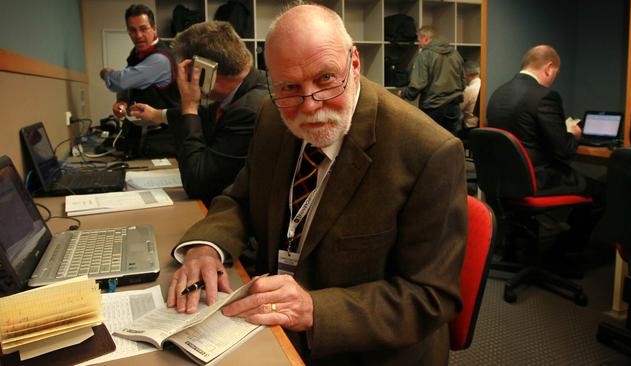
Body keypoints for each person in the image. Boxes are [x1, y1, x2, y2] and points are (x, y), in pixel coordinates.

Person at [166, 4, 467, 365]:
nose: (310, 106)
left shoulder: (428, 152)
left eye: (326, 79)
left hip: (369, 350)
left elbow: (430, 296)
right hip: (272, 328)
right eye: (290, 87)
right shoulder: (272, 117)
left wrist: (314, 309)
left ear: (354, 63)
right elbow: (240, 198)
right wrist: (206, 246)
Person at [486, 44, 605, 271]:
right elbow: (565, 151)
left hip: (504, 181)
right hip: (535, 181)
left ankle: (523, 249)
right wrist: (572, 133)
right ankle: (561, 256)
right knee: (599, 192)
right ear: (549, 68)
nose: (554, 80)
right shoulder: (545, 96)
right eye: (556, 74)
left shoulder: (498, 93)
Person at [129, 21, 268, 206]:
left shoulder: (247, 112)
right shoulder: (252, 85)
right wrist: (157, 115)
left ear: (205, 71)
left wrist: (189, 105)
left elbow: (197, 184)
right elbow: (207, 114)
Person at [99, 3, 180, 158]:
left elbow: (122, 81)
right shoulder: (137, 53)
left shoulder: (160, 59)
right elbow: (130, 85)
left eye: (143, 29)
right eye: (132, 30)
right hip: (141, 139)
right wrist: (123, 101)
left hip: (163, 141)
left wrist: (106, 73)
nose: (138, 35)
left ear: (154, 28)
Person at [398, 25, 465, 135]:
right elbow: (462, 82)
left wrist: (404, 93)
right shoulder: (455, 54)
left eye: (419, 40)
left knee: (431, 147)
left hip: (433, 108)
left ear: (426, 38)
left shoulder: (425, 55)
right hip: (454, 108)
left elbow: (418, 84)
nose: (418, 44)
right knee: (451, 146)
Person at [459, 60, 481, 129]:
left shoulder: (469, 90)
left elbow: (459, 108)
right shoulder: (483, 86)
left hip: (469, 127)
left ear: (465, 73)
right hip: (480, 125)